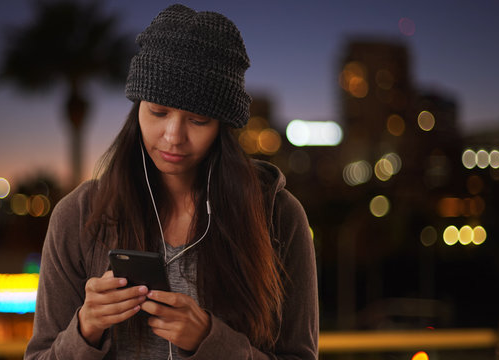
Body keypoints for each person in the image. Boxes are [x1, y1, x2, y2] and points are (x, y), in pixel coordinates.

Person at [25, 4, 318, 359]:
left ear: (223, 127)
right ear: (137, 110)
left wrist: (212, 341)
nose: (172, 136)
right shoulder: (79, 216)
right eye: (158, 112)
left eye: (197, 120)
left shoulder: (278, 216)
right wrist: (86, 328)